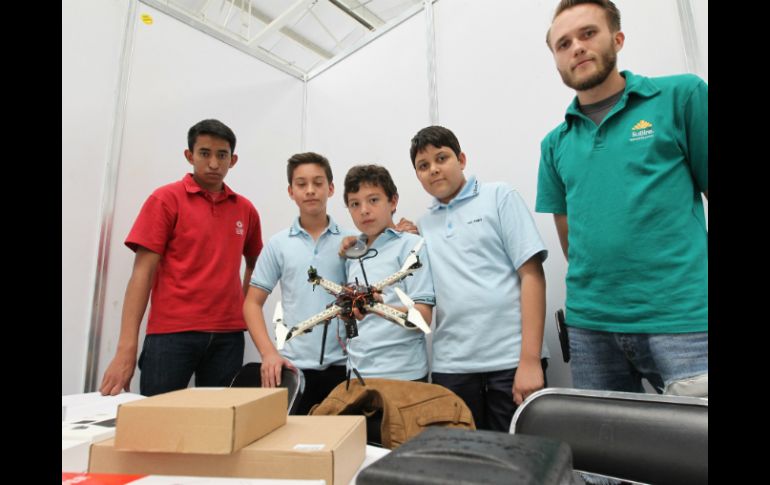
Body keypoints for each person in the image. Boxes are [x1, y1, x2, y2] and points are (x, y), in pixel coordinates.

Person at [537, 0, 708, 396]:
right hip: (590, 327)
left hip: (682, 322)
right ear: (557, 61)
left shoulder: (681, 96)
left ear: (617, 38)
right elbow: (570, 239)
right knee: (605, 438)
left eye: (588, 33)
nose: (577, 47)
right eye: (563, 44)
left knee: (694, 437)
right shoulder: (554, 144)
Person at [100, 119, 263, 397]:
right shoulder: (165, 200)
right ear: (189, 156)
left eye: (222, 155)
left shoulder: (245, 209)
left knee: (219, 419)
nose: (214, 163)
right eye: (204, 153)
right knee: (159, 417)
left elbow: (256, 264)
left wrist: (244, 308)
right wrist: (126, 348)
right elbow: (142, 274)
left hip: (228, 337)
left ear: (233, 160)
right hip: (171, 334)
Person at [410, 126, 549, 431]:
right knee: (462, 456)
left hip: (512, 362)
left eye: (441, 158)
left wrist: (530, 360)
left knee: (517, 455)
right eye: (423, 165)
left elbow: (532, 275)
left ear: (461, 159)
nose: (433, 169)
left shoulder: (499, 196)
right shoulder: (423, 226)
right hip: (452, 367)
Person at [243, 152, 352, 415]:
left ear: (331, 188)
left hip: (345, 368)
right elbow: (251, 303)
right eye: (302, 184)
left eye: (318, 182)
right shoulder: (278, 245)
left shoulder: (351, 242)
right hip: (294, 369)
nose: (310, 190)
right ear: (291, 191)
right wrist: (269, 353)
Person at [342, 164, 435, 382]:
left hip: (404, 375)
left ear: (393, 202)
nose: (364, 210)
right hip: (357, 375)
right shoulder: (351, 252)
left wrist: (377, 307)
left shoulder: (411, 245)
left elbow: (422, 318)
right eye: (355, 204)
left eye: (373, 200)